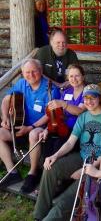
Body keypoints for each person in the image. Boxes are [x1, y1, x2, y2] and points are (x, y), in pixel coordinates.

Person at [33, 84, 101, 221]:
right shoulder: (83, 117)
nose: (89, 101)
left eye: (93, 97)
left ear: (99, 98)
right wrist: (54, 155)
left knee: (69, 197)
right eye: (86, 98)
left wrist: (84, 170)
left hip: (98, 165)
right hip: (81, 157)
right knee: (51, 168)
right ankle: (39, 214)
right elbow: (70, 142)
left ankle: (51, 218)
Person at [0, 59, 60, 193]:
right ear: (23, 73)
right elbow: (6, 99)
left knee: (33, 134)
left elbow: (50, 114)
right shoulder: (21, 83)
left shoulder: (50, 88)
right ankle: (12, 172)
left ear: (41, 71)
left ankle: (32, 173)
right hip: (20, 125)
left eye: (34, 71)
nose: (30, 75)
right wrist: (5, 118)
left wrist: (31, 127)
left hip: (41, 128)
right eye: (27, 72)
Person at [41, 64, 86, 158]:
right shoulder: (67, 92)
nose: (74, 79)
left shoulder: (87, 92)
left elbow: (79, 111)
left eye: (77, 75)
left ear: (83, 76)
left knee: (58, 145)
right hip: (62, 128)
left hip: (77, 131)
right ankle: (45, 170)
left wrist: (63, 104)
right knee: (47, 142)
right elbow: (58, 114)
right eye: (71, 76)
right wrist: (47, 129)